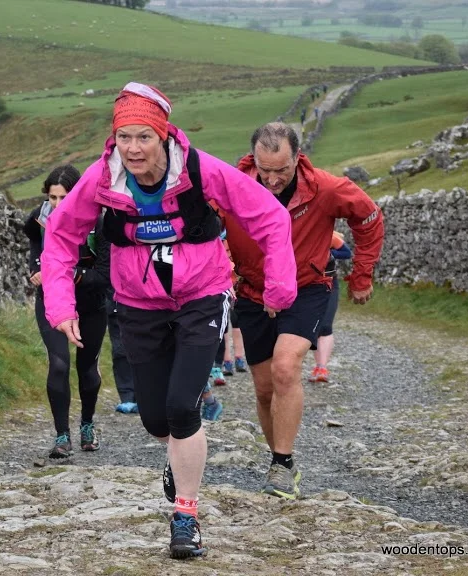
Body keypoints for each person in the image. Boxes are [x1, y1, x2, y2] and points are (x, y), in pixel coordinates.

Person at [40, 83, 297, 559]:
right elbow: (59, 237)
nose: (133, 149)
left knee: (182, 408)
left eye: (144, 137)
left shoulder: (200, 169)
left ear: (163, 136)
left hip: (203, 294)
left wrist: (279, 287)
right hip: (138, 303)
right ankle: (180, 458)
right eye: (124, 138)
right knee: (156, 418)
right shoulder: (103, 178)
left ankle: (186, 515)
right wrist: (61, 305)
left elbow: (269, 217)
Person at [226, 122, 384, 500]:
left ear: (298, 158)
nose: (273, 178)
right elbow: (202, 227)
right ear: (254, 160)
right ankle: (282, 461)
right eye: (265, 169)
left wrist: (361, 275)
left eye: (281, 169)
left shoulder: (327, 188)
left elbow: (369, 218)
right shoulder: (232, 186)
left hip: (306, 288)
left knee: (285, 367)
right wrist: (223, 264)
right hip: (252, 292)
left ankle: (281, 464)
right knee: (264, 390)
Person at [24, 165, 110, 459]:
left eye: (65, 198)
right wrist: (37, 268)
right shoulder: (38, 217)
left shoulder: (99, 224)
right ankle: (62, 436)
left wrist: (69, 274)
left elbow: (105, 275)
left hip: (91, 304)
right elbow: (34, 241)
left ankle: (87, 424)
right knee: (58, 364)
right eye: (52, 198)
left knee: (87, 368)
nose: (58, 205)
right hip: (51, 302)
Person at [308, 231, 352, 383]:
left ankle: (322, 368)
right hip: (308, 286)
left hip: (330, 284)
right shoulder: (298, 233)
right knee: (316, 327)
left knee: (326, 326)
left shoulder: (328, 236)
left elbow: (347, 253)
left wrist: (327, 253)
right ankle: (317, 366)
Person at [108, 293, 139, 414]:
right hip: (115, 302)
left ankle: (145, 396)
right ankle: (127, 397)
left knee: (143, 349)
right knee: (120, 350)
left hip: (144, 302)